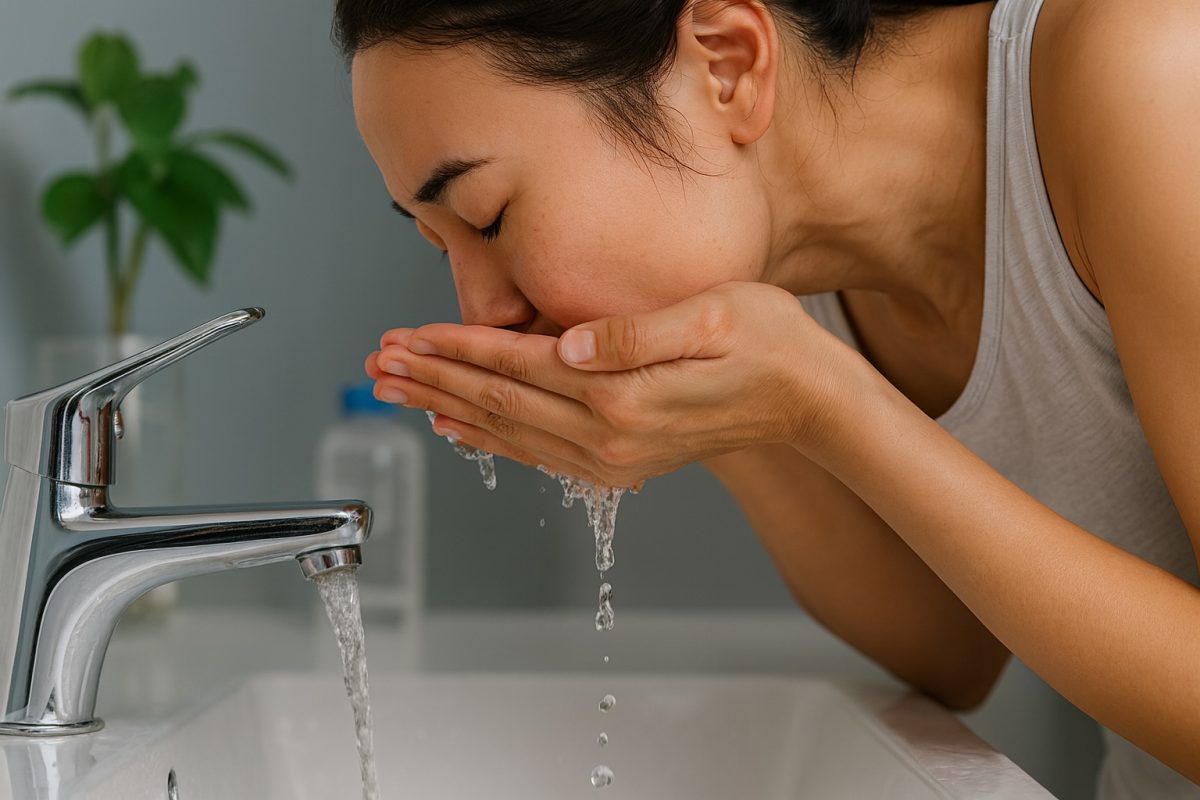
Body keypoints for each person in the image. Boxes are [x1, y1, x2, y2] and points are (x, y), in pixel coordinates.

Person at [344, 0, 1200, 795]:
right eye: (438, 243)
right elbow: (954, 655)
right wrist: (726, 422)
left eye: (488, 217)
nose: (483, 312)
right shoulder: (776, 270)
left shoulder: (1151, 72)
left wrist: (833, 404)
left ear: (726, 63)